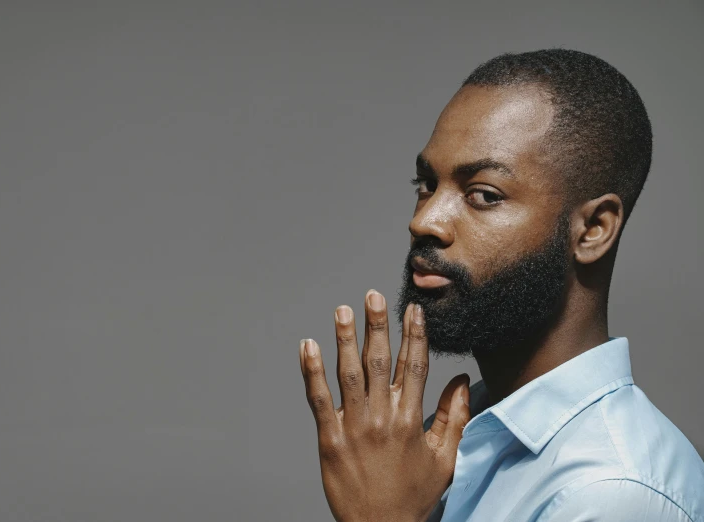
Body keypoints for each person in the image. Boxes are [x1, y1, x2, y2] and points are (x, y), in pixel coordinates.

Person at [298, 49, 704, 522]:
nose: (425, 220)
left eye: (483, 195)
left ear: (593, 229)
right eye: (426, 183)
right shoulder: (454, 442)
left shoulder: (611, 494)